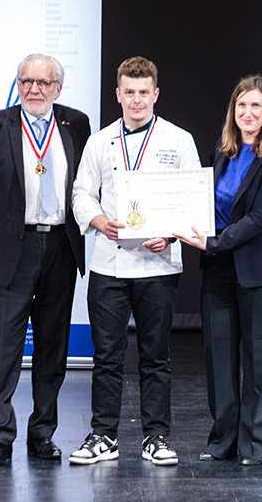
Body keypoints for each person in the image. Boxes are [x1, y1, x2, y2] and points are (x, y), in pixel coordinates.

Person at [70, 56, 201, 466]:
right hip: (109, 263)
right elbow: (81, 193)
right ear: (118, 94)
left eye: (144, 92)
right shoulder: (99, 140)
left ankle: (156, 437)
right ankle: (103, 435)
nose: (137, 100)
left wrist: (170, 232)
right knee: (106, 355)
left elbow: (193, 199)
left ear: (156, 94)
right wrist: (98, 221)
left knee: (155, 356)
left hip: (158, 266)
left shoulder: (179, 140)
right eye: (129, 92)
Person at [0, 54, 91, 466]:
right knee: (5, 345)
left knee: (53, 346)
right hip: (11, 250)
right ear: (18, 85)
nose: (34, 89)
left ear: (58, 88)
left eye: (43, 82)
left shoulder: (77, 123)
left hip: (59, 246)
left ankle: (43, 433)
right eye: (26, 81)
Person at [174, 75, 262, 466]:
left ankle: (256, 444)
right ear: (233, 111)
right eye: (242, 105)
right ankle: (223, 439)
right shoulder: (222, 152)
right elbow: (204, 207)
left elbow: (260, 219)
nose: (248, 113)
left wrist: (214, 242)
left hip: (260, 273)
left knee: (259, 362)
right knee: (219, 359)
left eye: (256, 106)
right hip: (219, 268)